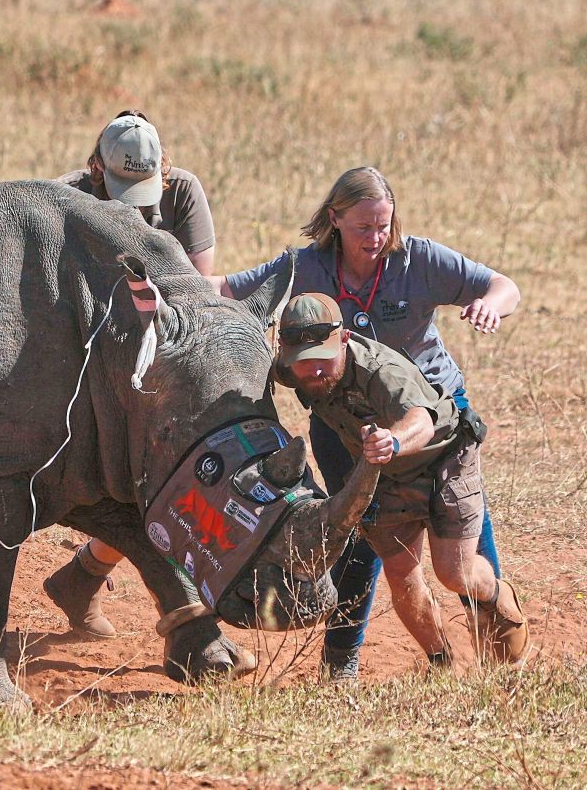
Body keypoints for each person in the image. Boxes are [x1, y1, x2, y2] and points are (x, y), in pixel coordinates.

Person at [215, 166, 522, 679]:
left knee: (461, 555)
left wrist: (491, 305)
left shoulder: (418, 259)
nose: (376, 238)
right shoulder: (303, 268)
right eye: (363, 227)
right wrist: (159, 284)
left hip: (433, 418)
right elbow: (225, 289)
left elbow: (502, 285)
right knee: (354, 536)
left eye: (384, 225)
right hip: (344, 421)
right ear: (334, 219)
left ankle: (499, 644)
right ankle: (344, 662)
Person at [273, 293, 528, 669]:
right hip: (385, 471)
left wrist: (392, 441)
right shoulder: (292, 367)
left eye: (322, 360)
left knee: (454, 572)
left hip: (442, 458)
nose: (313, 372)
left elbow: (422, 420)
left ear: (343, 339)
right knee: (402, 580)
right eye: (302, 363)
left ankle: (496, 601)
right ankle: (444, 665)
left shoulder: (381, 372)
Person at [44, 110, 218, 638]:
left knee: (157, 477)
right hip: (86, 355)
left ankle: (83, 575)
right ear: (95, 168)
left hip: (159, 343)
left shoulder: (182, 191)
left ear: (163, 169)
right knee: (130, 483)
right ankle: (87, 579)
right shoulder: (64, 197)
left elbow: (196, 290)